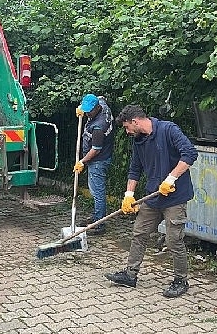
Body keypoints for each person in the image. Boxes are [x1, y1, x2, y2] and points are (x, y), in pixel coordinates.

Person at [105, 104, 198, 298]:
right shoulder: (138, 141)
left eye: (126, 127)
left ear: (135, 121)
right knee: (139, 233)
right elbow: (135, 170)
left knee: (174, 240)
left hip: (175, 197)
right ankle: (130, 275)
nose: (127, 131)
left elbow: (190, 153)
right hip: (153, 197)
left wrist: (171, 178)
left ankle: (181, 280)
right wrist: (128, 195)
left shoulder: (168, 130)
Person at [73, 94, 114, 235]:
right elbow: (101, 97)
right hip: (100, 158)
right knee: (96, 190)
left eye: (89, 111)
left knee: (97, 193)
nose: (87, 113)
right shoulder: (103, 105)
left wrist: (82, 162)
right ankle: (97, 217)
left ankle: (99, 224)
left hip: (98, 161)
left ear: (97, 108)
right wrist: (81, 109)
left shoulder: (99, 127)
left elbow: (96, 150)